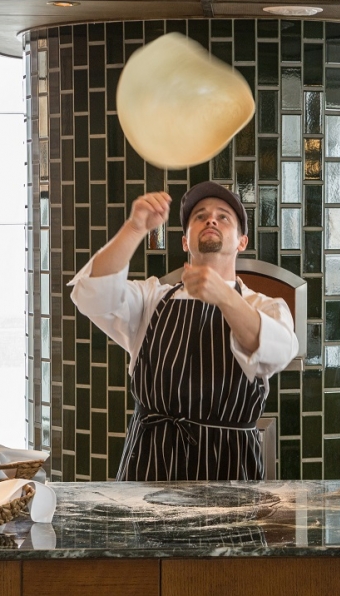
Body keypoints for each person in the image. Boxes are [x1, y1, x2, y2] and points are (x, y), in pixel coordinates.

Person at [69, 181, 299, 481]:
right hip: (149, 466)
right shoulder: (151, 298)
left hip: (228, 470)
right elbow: (93, 294)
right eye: (200, 216)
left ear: (242, 242)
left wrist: (225, 296)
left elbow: (279, 352)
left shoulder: (265, 307)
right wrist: (135, 227)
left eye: (223, 217)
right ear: (185, 242)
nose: (211, 219)